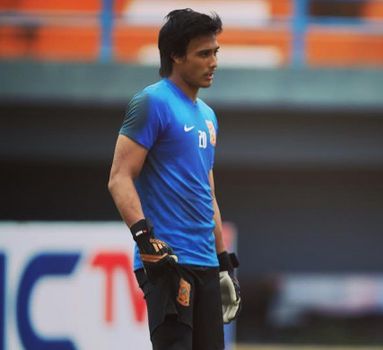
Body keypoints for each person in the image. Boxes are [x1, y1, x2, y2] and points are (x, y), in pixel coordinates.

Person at [108, 8, 241, 350]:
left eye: (215, 52)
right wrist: (144, 239)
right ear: (176, 56)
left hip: (206, 264)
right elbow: (120, 177)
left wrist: (224, 261)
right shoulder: (152, 102)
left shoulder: (208, 116)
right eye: (203, 54)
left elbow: (206, 192)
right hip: (170, 264)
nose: (213, 62)